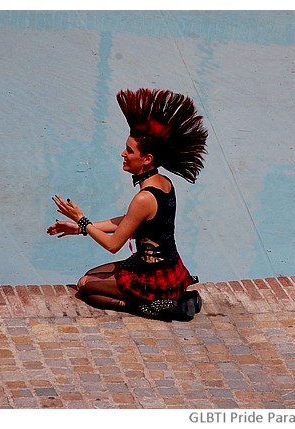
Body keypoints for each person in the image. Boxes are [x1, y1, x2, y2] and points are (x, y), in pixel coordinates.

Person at [47, 88, 208, 320]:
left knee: (86, 287)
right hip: (165, 267)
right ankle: (174, 299)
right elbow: (129, 222)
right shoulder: (164, 182)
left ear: (147, 159)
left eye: (129, 151)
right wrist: (81, 229)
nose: (123, 154)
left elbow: (113, 244)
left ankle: (161, 306)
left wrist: (80, 219)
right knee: (91, 274)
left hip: (154, 277)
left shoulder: (144, 198)